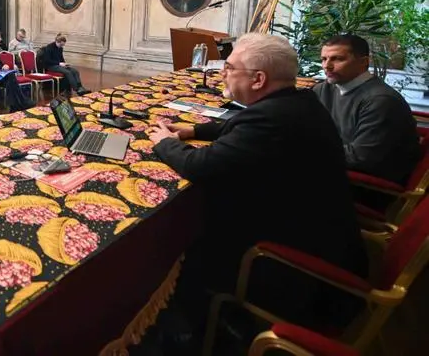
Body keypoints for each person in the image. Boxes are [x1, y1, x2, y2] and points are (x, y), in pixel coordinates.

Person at [148, 34, 367, 346]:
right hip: (317, 230)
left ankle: (188, 333)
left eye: (229, 68)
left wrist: (164, 143)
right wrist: (193, 129)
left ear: (258, 79)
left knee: (182, 243)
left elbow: (199, 165)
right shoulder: (295, 101)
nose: (223, 74)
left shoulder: (272, 119)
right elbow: (239, 123)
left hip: (294, 267)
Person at [313, 35, 421, 186]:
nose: (327, 66)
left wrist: (306, 150)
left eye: (337, 59)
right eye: (324, 59)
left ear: (363, 62)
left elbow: (360, 158)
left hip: (369, 187)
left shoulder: (381, 100)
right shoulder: (323, 89)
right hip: (334, 171)